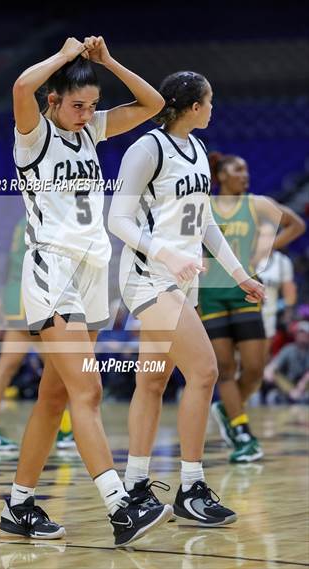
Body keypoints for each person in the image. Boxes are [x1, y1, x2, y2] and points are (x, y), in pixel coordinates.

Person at [0, 36, 172, 546]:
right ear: (53, 102)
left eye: (92, 106)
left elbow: (153, 105)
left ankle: (18, 507)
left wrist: (107, 62)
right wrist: (66, 54)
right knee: (88, 390)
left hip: (93, 273)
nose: (87, 113)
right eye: (77, 105)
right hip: (53, 268)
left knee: (54, 397)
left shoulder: (91, 131)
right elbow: (21, 85)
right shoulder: (33, 136)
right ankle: (121, 507)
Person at [108, 70, 262, 525]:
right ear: (194, 106)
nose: (214, 108)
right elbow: (119, 219)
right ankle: (191, 487)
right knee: (206, 370)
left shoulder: (196, 150)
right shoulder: (146, 149)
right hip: (148, 279)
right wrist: (166, 254)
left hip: (179, 280)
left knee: (152, 382)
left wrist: (238, 275)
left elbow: (205, 223)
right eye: (210, 101)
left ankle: (136, 484)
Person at [201, 152, 305, 463]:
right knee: (226, 370)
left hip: (246, 292)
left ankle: (226, 409)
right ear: (221, 175)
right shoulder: (204, 204)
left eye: (247, 169)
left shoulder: (256, 203)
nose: (244, 174)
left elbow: (296, 224)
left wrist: (264, 247)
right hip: (210, 294)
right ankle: (241, 429)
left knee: (256, 369)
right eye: (237, 169)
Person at [0, 217, 75, 451]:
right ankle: (65, 429)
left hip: (17, 293)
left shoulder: (23, 219)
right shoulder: (47, 216)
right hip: (30, 295)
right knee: (57, 367)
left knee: (11, 365)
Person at [253, 221, 297, 354]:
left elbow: (289, 294)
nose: (265, 239)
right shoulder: (248, 257)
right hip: (245, 313)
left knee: (260, 362)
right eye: (262, 235)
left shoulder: (283, 262)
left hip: (268, 316)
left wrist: (287, 316)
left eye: (269, 235)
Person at [264, 320, 309, 403]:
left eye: (305, 333)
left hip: (305, 390)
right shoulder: (288, 349)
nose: (302, 335)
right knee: (272, 376)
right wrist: (269, 371)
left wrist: (301, 387)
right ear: (296, 335)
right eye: (300, 333)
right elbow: (273, 366)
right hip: (288, 388)